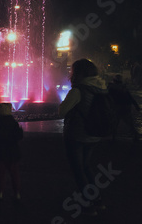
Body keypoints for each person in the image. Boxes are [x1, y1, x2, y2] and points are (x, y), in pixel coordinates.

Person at [58, 58, 107, 216]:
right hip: (95, 134)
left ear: (77, 73)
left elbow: (62, 111)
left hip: (77, 135)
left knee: (78, 170)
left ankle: (88, 204)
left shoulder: (78, 90)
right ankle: (98, 200)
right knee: (87, 167)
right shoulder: (101, 87)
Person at [0, 103, 23, 201]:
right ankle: (17, 194)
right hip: (13, 153)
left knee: (0, 175)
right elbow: (19, 136)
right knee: (15, 174)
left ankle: (0, 194)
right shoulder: (14, 123)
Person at [107, 74, 140, 141]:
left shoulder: (110, 87)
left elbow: (108, 98)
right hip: (126, 106)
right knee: (129, 122)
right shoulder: (123, 87)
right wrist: (136, 105)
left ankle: (113, 136)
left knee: (115, 121)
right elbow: (130, 97)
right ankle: (135, 135)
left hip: (116, 106)